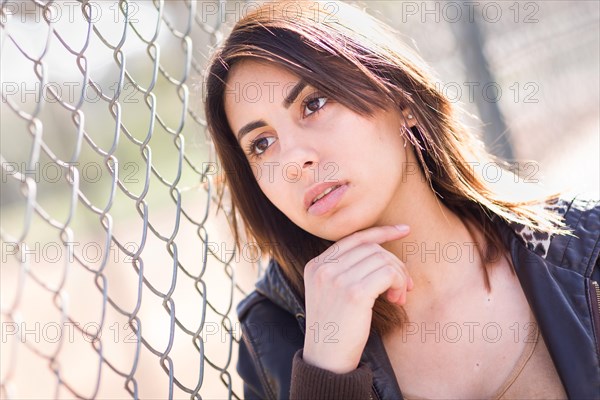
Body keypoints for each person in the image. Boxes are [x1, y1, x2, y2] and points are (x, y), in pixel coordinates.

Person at [203, 1, 600, 398]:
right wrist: (325, 372)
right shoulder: (275, 341)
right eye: (262, 144)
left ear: (402, 100)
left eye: (314, 103)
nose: (292, 161)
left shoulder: (583, 252)